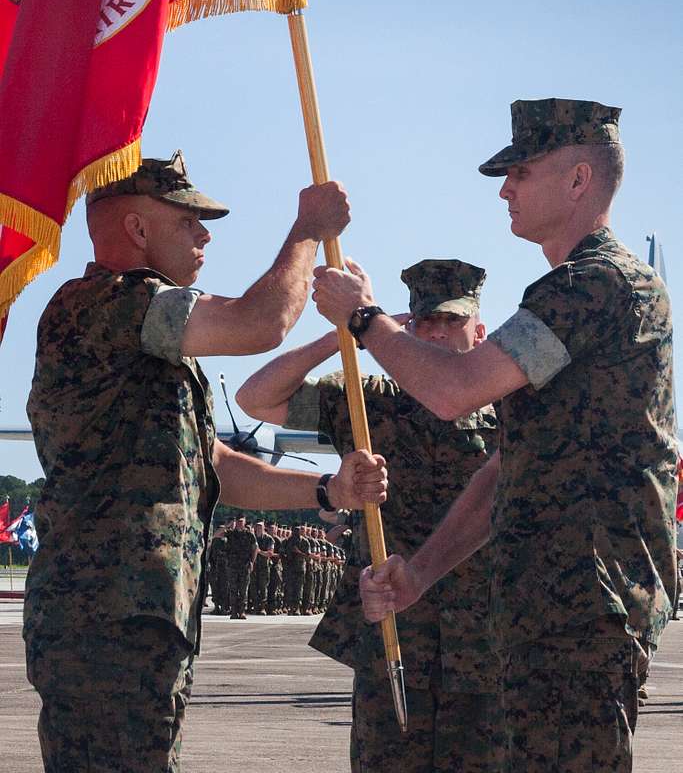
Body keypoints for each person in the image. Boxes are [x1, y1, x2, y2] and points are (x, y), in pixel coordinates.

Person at [311, 100, 679, 773]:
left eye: (521, 171)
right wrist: (420, 572)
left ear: (576, 181)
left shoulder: (600, 285)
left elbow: (454, 390)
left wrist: (361, 317)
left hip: (581, 612)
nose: (505, 189)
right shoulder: (565, 292)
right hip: (546, 610)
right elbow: (508, 467)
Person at [24, 150, 388, 773]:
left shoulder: (149, 335)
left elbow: (213, 461)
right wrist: (306, 231)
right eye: (188, 219)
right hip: (105, 614)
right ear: (137, 229)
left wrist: (328, 491)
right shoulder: (105, 304)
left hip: (134, 615)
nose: (205, 233)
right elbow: (260, 323)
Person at [238, 258, 504, 772]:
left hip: (486, 648)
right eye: (425, 322)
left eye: (452, 322)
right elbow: (257, 397)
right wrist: (345, 335)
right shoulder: (366, 402)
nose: (437, 333)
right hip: (393, 639)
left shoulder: (511, 408)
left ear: (481, 331)